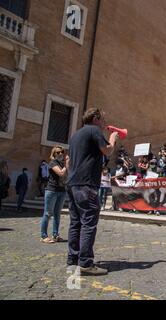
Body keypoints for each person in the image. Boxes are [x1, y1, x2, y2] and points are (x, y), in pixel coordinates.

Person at [66, 108, 119, 276]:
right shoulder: (94, 131)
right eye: (102, 119)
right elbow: (108, 150)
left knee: (75, 222)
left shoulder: (76, 134)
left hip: (73, 183)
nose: (104, 123)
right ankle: (86, 263)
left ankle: (73, 259)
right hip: (86, 184)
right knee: (89, 223)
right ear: (95, 118)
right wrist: (113, 139)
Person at [40, 146, 68, 244]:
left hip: (62, 190)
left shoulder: (62, 163)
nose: (61, 154)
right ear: (54, 153)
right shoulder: (52, 163)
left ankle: (55, 235)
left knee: (57, 214)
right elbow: (60, 173)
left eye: (62, 152)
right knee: (47, 213)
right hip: (52, 190)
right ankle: (43, 235)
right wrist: (67, 165)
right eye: (58, 152)